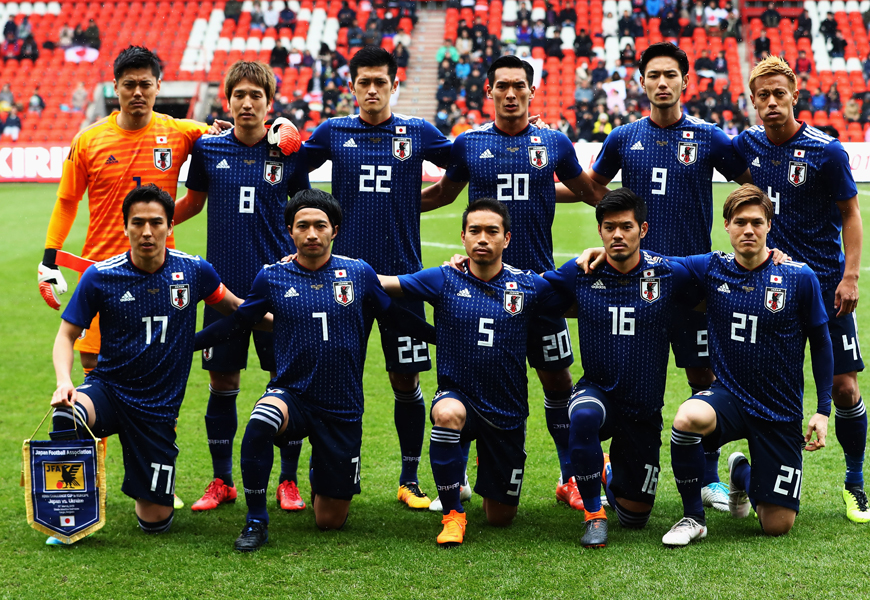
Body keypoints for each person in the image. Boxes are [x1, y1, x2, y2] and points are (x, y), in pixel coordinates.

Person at [560, 42, 752, 512]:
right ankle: (597, 469)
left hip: (690, 287)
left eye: (670, 75)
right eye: (654, 76)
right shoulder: (624, 137)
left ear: (686, 81)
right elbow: (594, 188)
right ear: (641, 82)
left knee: (701, 375)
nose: (662, 83)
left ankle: (708, 478)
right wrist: (605, 237)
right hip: (630, 283)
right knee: (622, 377)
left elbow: (750, 186)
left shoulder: (709, 138)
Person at [193, 189, 435, 551]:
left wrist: (442, 337)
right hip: (293, 394)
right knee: (261, 421)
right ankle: (256, 520)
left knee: (329, 521)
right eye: (302, 226)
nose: (311, 234)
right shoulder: (272, 276)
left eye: (319, 225)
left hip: (343, 404)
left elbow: (394, 317)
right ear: (290, 230)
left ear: (334, 230)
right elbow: (239, 321)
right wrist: (186, 344)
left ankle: (322, 470)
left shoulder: (358, 273)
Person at [420, 55, 600, 512]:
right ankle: (456, 479)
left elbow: (589, 192)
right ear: (490, 91)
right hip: (477, 290)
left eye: (519, 85)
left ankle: (569, 477)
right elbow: (443, 195)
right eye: (502, 85)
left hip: (537, 289)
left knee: (557, 380)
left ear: (532, 91)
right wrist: (388, 205)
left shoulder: (554, 143)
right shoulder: (469, 143)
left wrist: (636, 223)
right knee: (467, 382)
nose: (511, 93)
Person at [303, 47, 454, 510]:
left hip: (401, 280)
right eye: (364, 82)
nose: (372, 90)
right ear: (351, 86)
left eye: (380, 82)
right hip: (339, 282)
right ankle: (325, 474)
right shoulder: (333, 131)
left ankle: (409, 479)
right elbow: (289, 171)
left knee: (405, 379)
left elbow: (462, 168)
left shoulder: (417, 132)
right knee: (328, 376)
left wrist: (418, 202)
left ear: (395, 84)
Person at [48, 184, 242, 537]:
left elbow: (235, 309)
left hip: (157, 410)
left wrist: (289, 315)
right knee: (68, 415)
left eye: (156, 222)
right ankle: (72, 509)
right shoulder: (101, 276)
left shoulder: (195, 270)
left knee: (155, 522)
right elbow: (66, 335)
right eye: (138, 223)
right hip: (109, 390)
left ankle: (148, 491)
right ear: (125, 227)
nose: (147, 231)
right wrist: (65, 381)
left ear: (170, 227)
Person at [378, 199, 572, 546]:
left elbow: (575, 299)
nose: (483, 238)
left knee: (500, 518)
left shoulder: (528, 286)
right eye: (475, 231)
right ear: (464, 237)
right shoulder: (443, 278)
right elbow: (385, 283)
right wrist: (326, 265)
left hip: (507, 411)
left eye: (492, 231)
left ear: (507, 239)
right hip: (459, 399)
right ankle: (453, 514)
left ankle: (493, 462)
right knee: (447, 413)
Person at [733, 56, 870, 523]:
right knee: (773, 393)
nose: (771, 102)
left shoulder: (826, 151)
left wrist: (850, 276)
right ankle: (754, 478)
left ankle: (855, 482)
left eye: (779, 93)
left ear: (795, 95)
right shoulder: (746, 146)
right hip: (771, 294)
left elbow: (851, 214)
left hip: (828, 288)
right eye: (762, 95)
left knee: (844, 387)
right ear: (752, 102)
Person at [38, 46, 224, 380]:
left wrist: (277, 124)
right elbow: (67, 201)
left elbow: (237, 135)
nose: (137, 92)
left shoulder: (183, 132)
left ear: (158, 86)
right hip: (100, 272)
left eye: (145, 84)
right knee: (94, 367)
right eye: (129, 85)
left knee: (159, 369)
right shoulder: (88, 140)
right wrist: (49, 257)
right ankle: (98, 433)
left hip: (159, 273)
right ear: (115, 88)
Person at [661, 185, 833, 546]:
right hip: (731, 396)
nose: (748, 230)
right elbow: (656, 264)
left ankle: (741, 472)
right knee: (686, 418)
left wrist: (822, 411)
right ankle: (693, 516)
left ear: (770, 225)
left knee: (777, 526)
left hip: (780, 409)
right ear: (727, 225)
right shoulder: (712, 267)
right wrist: (605, 250)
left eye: (757, 222)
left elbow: (821, 342)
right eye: (740, 222)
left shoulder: (800, 277)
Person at [175, 61, 308, 513]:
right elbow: (192, 204)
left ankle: (287, 481)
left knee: (284, 386)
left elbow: (304, 213)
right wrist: (146, 227)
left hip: (278, 291)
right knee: (222, 384)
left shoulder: (289, 152)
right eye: (239, 96)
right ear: (227, 102)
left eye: (256, 96)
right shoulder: (208, 150)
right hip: (220, 291)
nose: (247, 103)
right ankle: (221, 480)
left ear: (270, 104)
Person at [543, 189, 703, 548]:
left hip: (643, 410)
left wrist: (772, 256)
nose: (617, 234)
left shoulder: (666, 273)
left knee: (634, 518)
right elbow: (529, 291)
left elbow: (723, 265)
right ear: (599, 231)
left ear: (642, 229)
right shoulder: (581, 271)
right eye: (609, 227)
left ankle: (605, 470)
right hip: (598, 390)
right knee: (582, 415)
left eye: (626, 227)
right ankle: (593, 514)